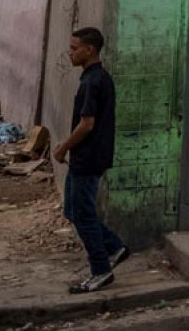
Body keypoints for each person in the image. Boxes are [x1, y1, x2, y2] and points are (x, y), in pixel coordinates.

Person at [52, 27, 128, 294]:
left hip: (88, 157)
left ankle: (101, 270)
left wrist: (62, 148)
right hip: (88, 156)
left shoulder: (92, 82)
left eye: (74, 49)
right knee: (72, 211)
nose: (70, 53)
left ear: (89, 50)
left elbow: (86, 124)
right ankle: (115, 246)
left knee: (82, 214)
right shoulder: (98, 78)